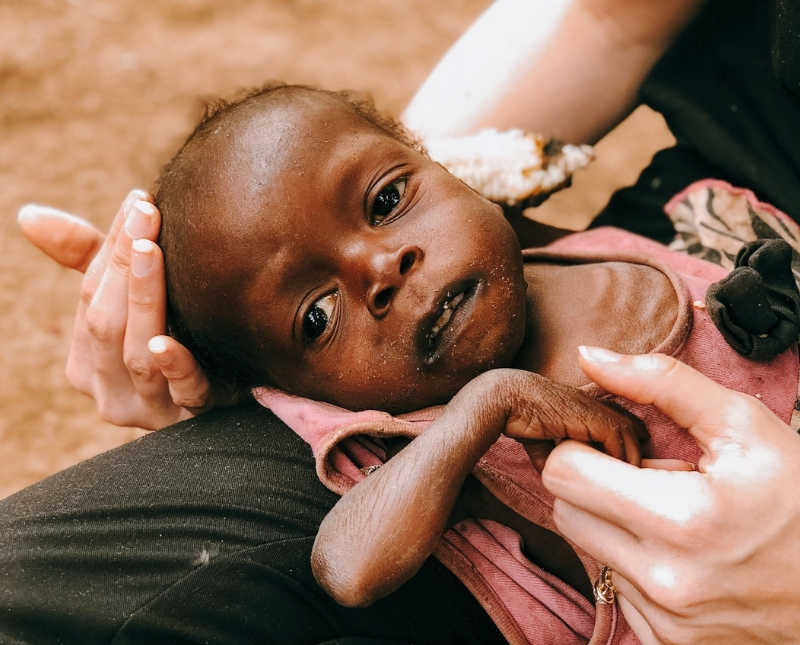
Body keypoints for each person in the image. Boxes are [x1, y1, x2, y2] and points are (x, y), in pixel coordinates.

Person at [5, 0, 800, 643]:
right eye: (317, 316)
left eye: (387, 202)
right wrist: (485, 406)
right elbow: (348, 566)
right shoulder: (398, 429)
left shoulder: (566, 255)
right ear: (289, 395)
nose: (380, 269)